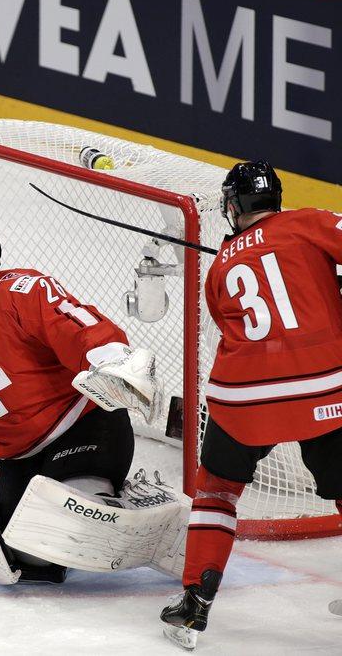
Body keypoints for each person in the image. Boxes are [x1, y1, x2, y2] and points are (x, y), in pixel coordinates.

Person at [0, 217, 162, 584]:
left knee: (71, 523)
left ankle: (140, 506)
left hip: (82, 429)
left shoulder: (21, 291)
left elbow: (76, 326)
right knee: (29, 560)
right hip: (19, 459)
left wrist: (110, 357)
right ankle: (46, 517)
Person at [160, 162, 342, 650]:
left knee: (217, 491)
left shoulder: (220, 266)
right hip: (323, 386)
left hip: (243, 396)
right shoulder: (310, 221)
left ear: (234, 206)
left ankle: (194, 603)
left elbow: (228, 320)